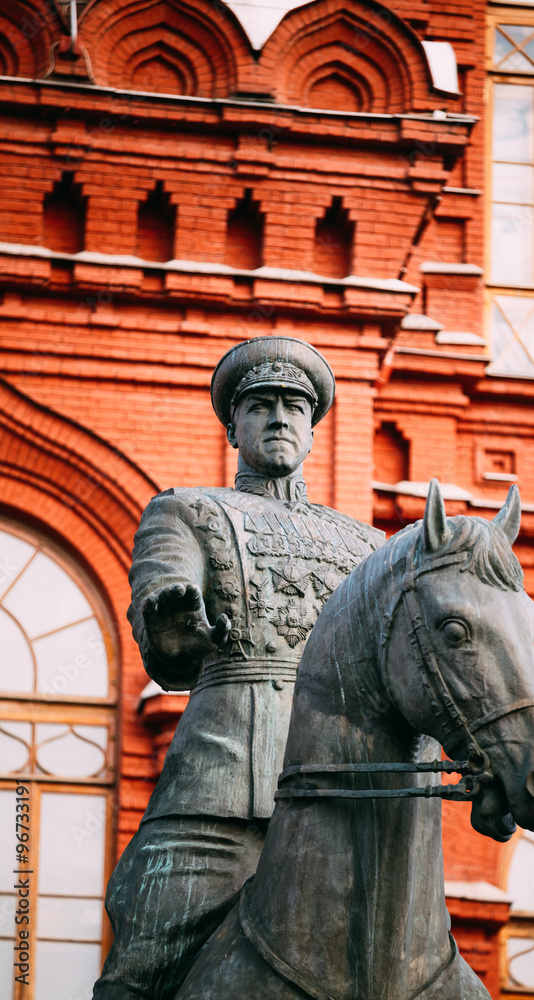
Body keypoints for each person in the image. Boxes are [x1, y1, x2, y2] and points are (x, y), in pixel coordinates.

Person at [93, 336, 385, 1000]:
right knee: (143, 962)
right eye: (261, 406)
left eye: (293, 407)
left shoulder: (367, 547)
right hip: (220, 785)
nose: (279, 419)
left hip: (343, 796)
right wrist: (173, 614)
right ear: (234, 426)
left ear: (312, 429)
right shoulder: (186, 511)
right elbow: (166, 630)